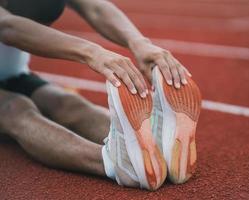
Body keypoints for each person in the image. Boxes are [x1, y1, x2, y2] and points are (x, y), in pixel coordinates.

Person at [0, 0, 201, 190]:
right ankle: (114, 164)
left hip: (13, 73)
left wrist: (139, 42)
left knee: (67, 103)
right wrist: (92, 53)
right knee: (15, 109)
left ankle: (157, 149)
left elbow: (96, 7)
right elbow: (8, 26)